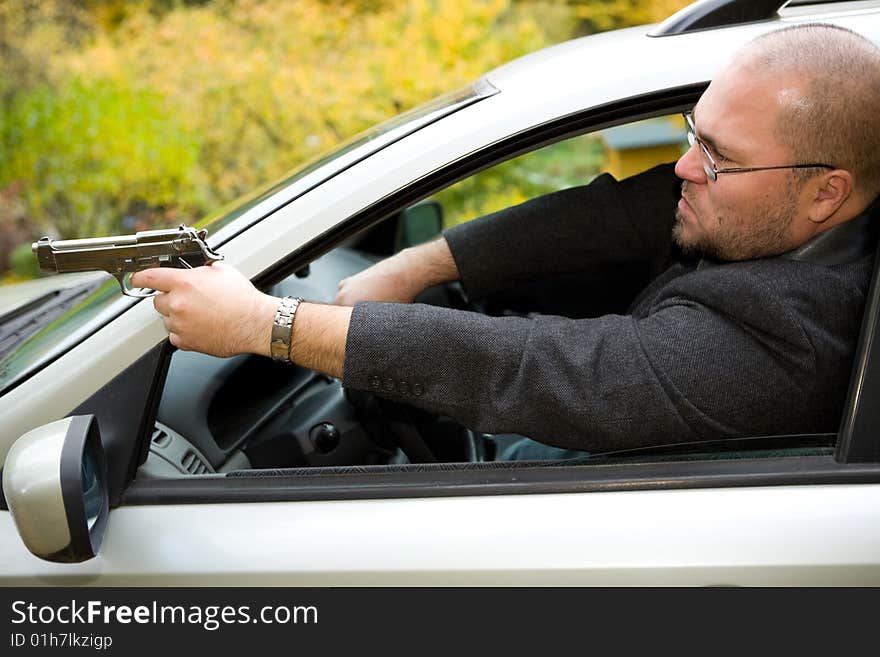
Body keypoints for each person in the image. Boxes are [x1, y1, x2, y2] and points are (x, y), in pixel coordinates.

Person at [131, 23, 880, 460]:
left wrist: (267, 324)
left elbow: (530, 369)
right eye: (694, 133)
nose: (683, 167)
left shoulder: (797, 338)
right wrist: (419, 262)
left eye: (717, 157)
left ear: (826, 191)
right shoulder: (776, 204)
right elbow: (618, 214)